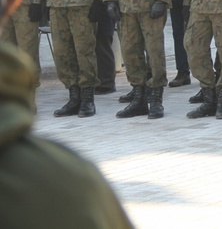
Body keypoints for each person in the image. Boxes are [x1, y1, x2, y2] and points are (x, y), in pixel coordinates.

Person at [0, 41, 134, 228]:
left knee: (82, 49)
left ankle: (86, 97)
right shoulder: (69, 180)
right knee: (65, 52)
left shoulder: (66, 180)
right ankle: (74, 95)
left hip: (79, 12)